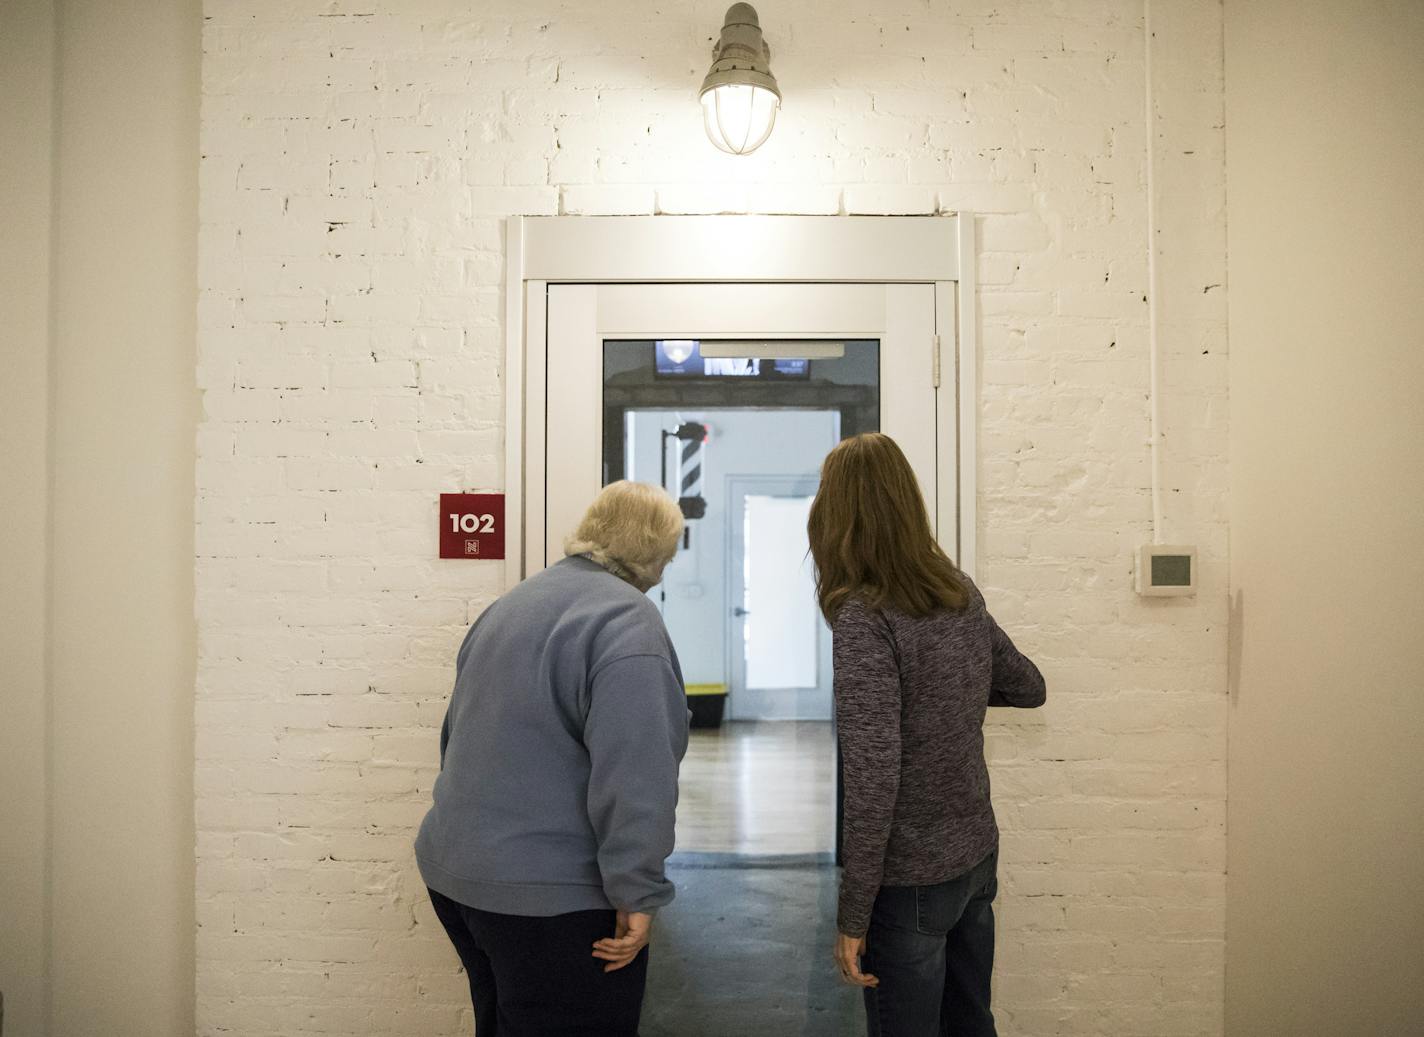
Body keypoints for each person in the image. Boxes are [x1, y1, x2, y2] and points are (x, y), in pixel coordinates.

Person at [414, 481, 690, 1036]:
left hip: (457, 876)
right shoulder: (627, 622)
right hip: (549, 902)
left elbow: (455, 735)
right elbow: (637, 775)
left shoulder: (514, 602)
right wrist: (638, 893)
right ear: (659, 555)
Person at [806, 433, 1047, 1037]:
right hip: (975, 856)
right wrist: (951, 689)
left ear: (836, 516)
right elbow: (1027, 684)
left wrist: (853, 913)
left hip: (911, 879)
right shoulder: (956, 588)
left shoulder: (865, 615)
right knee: (971, 1024)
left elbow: (874, 778)